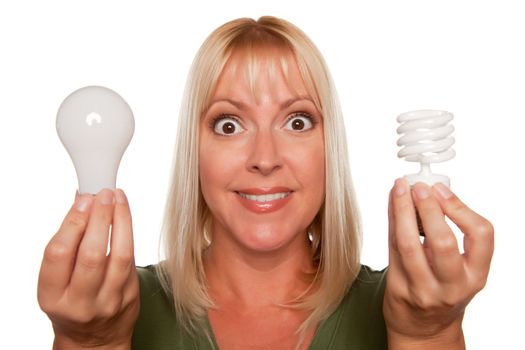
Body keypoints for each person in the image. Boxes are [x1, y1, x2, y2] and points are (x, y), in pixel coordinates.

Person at [37, 16, 494, 350]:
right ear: (193, 152)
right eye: (229, 125)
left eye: (296, 122)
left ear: (327, 148)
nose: (265, 159)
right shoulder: (111, 305)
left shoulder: (409, 306)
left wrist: (428, 333)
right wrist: (90, 342)